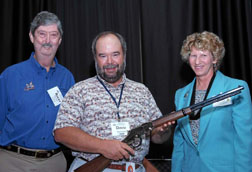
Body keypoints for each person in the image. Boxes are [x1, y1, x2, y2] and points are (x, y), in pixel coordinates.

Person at [54, 31, 172, 172]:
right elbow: (61, 133)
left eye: (115, 54)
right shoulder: (80, 90)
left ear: (124, 55)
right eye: (103, 56)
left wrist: (162, 131)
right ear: (95, 58)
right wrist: (103, 146)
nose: (109, 62)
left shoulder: (142, 91)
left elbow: (157, 137)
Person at [0, 11, 75, 171]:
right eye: (42, 34)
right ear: (31, 37)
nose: (47, 41)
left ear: (59, 40)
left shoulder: (67, 78)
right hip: (12, 162)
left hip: (54, 162)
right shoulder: (10, 76)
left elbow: (73, 124)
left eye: (53, 35)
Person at [171, 31, 252, 172]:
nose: (197, 61)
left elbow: (244, 140)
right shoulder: (181, 95)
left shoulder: (235, 88)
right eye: (193, 55)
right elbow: (179, 144)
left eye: (203, 55)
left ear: (214, 59)